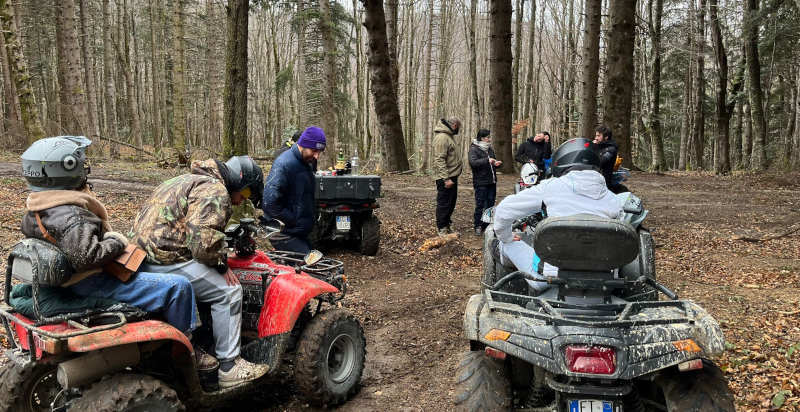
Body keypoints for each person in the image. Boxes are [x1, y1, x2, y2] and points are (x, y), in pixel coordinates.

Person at [19, 136, 198, 334]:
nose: (85, 166)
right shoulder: (72, 214)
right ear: (66, 167)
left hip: (66, 281)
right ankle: (186, 346)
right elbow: (86, 257)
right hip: (89, 283)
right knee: (179, 286)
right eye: (81, 162)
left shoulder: (39, 207)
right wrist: (115, 241)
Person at [129, 155, 268, 389]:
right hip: (167, 258)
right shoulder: (216, 189)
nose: (238, 202)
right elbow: (203, 245)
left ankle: (205, 340)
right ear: (238, 182)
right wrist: (221, 263)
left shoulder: (185, 180)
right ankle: (229, 366)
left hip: (141, 257)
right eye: (244, 195)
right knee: (230, 290)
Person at [493, 138, 623, 292]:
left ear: (561, 162)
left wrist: (506, 236)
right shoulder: (615, 200)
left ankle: (506, 289)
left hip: (550, 278)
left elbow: (503, 211)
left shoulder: (551, 187)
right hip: (604, 282)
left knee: (505, 242)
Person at [261, 126, 326, 254]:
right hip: (284, 234)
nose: (317, 156)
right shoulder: (284, 164)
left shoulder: (306, 162)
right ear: (304, 144)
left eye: (319, 152)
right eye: (314, 150)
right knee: (310, 270)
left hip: (298, 232)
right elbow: (269, 203)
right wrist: (293, 220)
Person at [432, 117, 463, 236]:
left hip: (452, 176)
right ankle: (441, 228)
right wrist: (446, 178)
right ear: (454, 125)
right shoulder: (442, 137)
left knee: (450, 203)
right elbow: (439, 159)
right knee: (444, 203)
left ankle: (446, 225)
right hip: (445, 177)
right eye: (459, 127)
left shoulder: (448, 136)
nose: (459, 130)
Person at [468, 129, 501, 236]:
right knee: (480, 204)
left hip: (492, 181)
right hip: (480, 181)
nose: (489, 139)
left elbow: (493, 160)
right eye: (487, 137)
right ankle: (478, 225)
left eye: (489, 137)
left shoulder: (489, 149)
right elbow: (473, 163)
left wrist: (496, 163)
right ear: (481, 138)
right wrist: (487, 160)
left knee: (490, 203)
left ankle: (487, 225)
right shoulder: (474, 149)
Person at [593, 124, 619, 190]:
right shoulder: (599, 146)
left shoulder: (611, 149)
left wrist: (594, 148)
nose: (596, 138)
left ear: (606, 137)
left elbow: (600, 162)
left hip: (603, 184)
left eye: (598, 136)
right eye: (596, 135)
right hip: (593, 179)